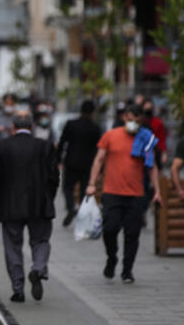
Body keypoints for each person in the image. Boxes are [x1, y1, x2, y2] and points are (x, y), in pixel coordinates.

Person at [0, 111, 59, 302]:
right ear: (32, 127)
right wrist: (49, 197)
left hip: (11, 204)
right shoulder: (45, 146)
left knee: (12, 245)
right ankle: (38, 268)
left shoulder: (3, 146)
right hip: (40, 204)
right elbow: (54, 177)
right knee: (41, 240)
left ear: (13, 127)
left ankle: (18, 289)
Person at [87, 104, 162, 283]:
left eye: (137, 121)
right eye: (130, 120)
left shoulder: (145, 138)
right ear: (124, 118)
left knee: (132, 233)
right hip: (112, 192)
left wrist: (157, 190)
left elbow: (151, 166)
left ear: (141, 121)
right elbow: (99, 160)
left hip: (136, 194)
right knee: (110, 229)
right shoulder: (110, 136)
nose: (133, 123)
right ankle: (112, 257)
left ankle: (127, 270)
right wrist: (91, 184)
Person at [57, 100, 102, 227]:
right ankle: (82, 212)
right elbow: (98, 149)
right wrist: (99, 168)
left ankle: (71, 207)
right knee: (84, 189)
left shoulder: (71, 124)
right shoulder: (95, 128)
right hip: (88, 163)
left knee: (67, 187)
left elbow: (62, 142)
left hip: (71, 161)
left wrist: (58, 159)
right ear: (92, 112)